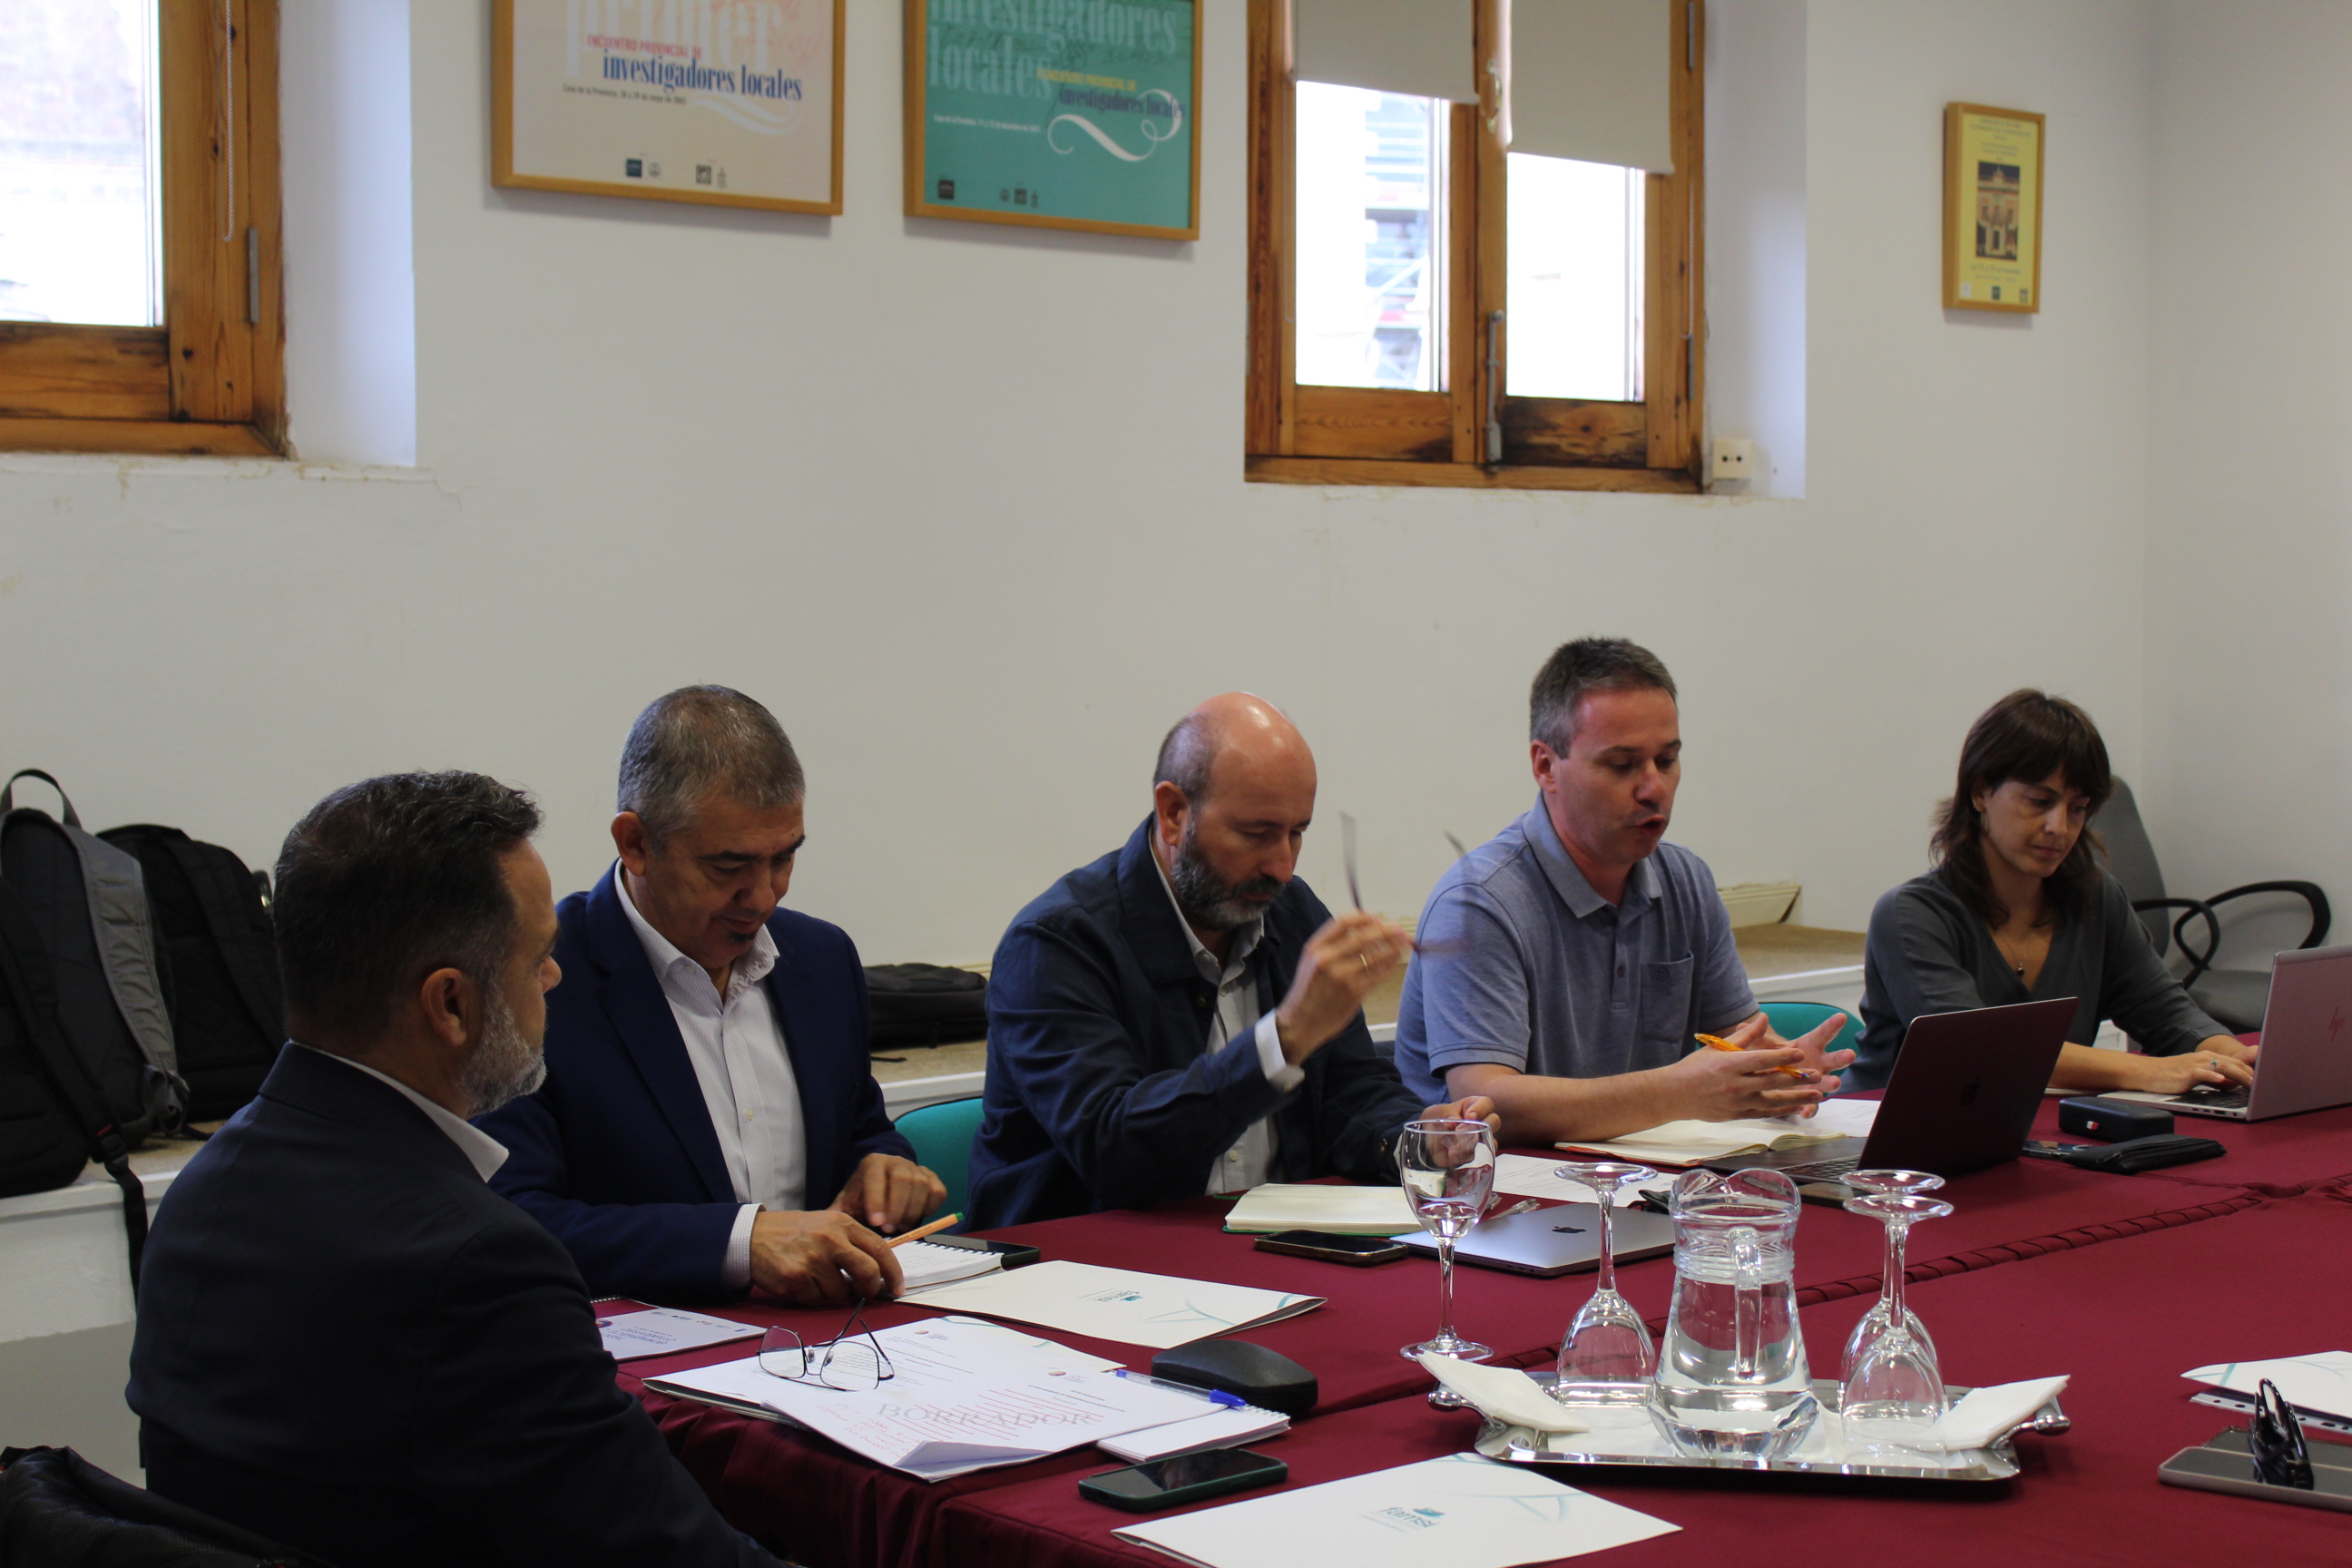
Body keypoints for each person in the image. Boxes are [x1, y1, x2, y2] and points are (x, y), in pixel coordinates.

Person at [126, 772, 782, 1568]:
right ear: (450, 1005)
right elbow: (666, 1552)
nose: (555, 978)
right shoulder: (475, 1265)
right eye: (537, 958)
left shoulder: (204, 1191)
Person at [478, 687, 942, 1305]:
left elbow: (861, 1130)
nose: (763, 897)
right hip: (638, 1343)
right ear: (635, 843)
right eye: (728, 868)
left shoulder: (821, 959)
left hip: (828, 1337)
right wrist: (737, 1243)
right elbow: (510, 1223)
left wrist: (885, 1167)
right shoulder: (537, 982)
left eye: (784, 859)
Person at [966, 693, 1496, 1229]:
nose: (1282, 867)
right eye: (1256, 834)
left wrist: (1418, 1137)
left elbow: (1350, 1094)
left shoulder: (1291, 913)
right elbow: (1115, 1152)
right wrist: (1283, 1038)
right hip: (1084, 1260)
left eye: (1297, 833)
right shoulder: (1056, 944)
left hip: (1271, 1250)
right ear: (1174, 814)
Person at [1394, 638, 1852, 1146]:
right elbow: (1486, 1101)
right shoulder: (1479, 901)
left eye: (1667, 760)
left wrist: (1784, 1071)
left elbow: (1739, 1042)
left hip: (1642, 1177)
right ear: (1545, 766)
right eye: (1622, 765)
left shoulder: (1685, 879)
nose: (1653, 788)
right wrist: (1678, 1093)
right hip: (1504, 1186)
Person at [1850, 689, 2256, 1094]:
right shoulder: (1911, 914)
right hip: (1879, 1124)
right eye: (2039, 801)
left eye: (2077, 808)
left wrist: (2236, 1058)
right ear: (1980, 792)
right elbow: (1975, 1049)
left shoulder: (2096, 898)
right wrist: (2150, 1071)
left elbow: (2168, 1015)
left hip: (2028, 1122)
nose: (2059, 827)